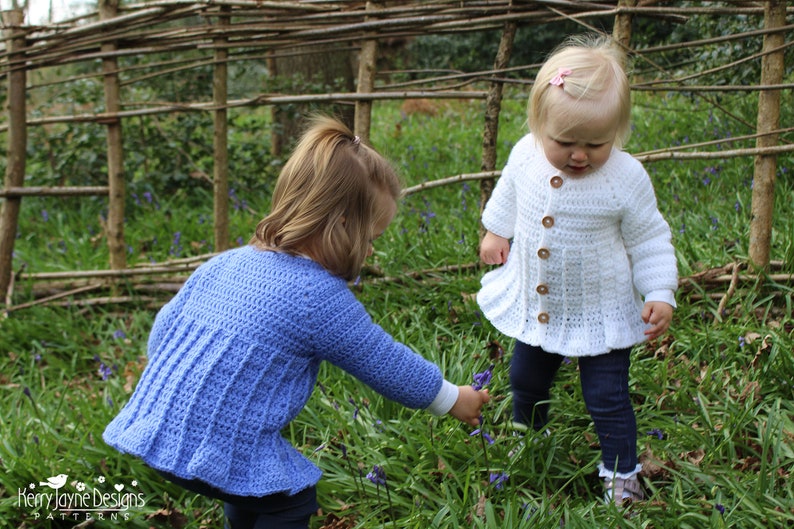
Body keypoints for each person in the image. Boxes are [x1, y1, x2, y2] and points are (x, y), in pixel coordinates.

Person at [103, 115, 490, 529]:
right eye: (372, 238)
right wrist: (454, 399)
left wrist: (182, 386)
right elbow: (387, 364)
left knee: (253, 484)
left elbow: (164, 326)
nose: (372, 252)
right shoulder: (316, 296)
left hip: (156, 422)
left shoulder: (229, 261)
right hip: (218, 440)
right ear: (342, 226)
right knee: (291, 500)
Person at [477, 34, 677, 503]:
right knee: (525, 379)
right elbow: (508, 193)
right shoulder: (525, 154)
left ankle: (621, 473)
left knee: (606, 396)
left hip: (602, 311)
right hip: (537, 303)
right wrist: (495, 231)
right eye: (565, 142)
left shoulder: (625, 179)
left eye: (596, 143)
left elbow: (649, 238)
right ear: (538, 126)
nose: (580, 155)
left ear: (618, 133)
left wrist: (659, 291)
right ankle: (531, 438)